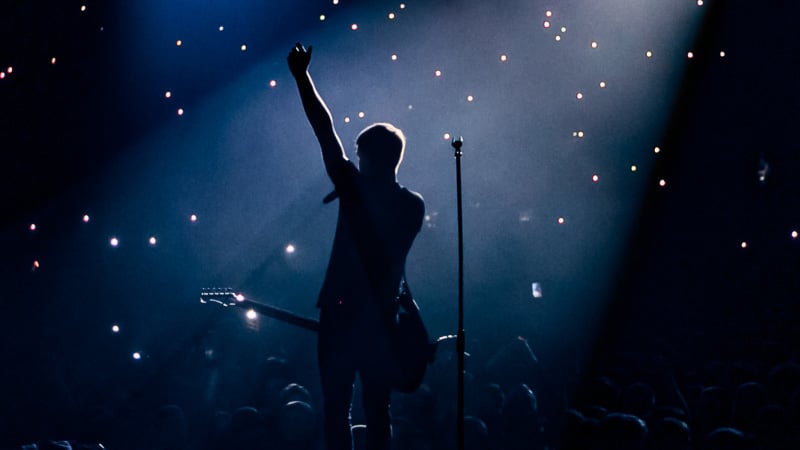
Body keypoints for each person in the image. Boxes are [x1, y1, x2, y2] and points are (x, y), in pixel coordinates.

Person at [287, 43, 425, 450]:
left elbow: (323, 129)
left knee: (336, 407)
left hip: (344, 312)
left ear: (368, 156)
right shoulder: (412, 204)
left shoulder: (355, 190)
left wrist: (301, 77)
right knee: (376, 408)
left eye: (360, 152)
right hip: (380, 316)